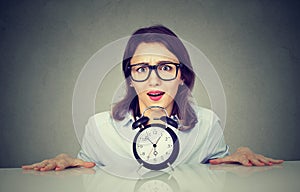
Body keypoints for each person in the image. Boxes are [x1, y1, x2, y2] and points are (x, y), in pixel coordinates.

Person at [22, 25, 283, 172]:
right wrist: (67, 160)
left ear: (182, 75)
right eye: (142, 69)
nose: (153, 80)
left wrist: (239, 154)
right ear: (131, 77)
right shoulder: (99, 127)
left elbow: (219, 171)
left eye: (166, 68)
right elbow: (84, 170)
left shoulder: (207, 124)